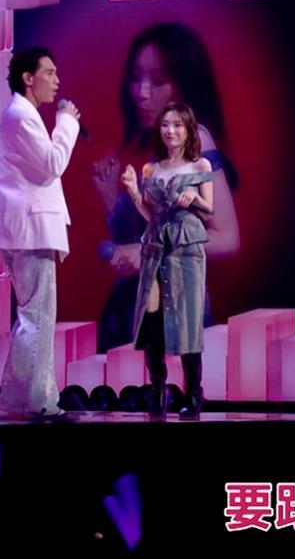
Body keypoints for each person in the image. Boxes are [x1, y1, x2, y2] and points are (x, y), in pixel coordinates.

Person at [91, 22, 239, 353]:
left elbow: (228, 238)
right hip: (133, 308)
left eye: (158, 81)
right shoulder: (159, 147)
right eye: (136, 77)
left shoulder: (196, 140)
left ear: (183, 84)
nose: (141, 92)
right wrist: (110, 198)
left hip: (176, 309)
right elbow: (140, 240)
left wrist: (146, 251)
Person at [0, 47, 82, 418]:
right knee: (37, 317)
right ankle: (35, 403)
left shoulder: (21, 114)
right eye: (49, 73)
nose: (56, 80)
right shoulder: (21, 115)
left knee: (34, 317)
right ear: (28, 77)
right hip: (31, 229)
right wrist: (67, 123)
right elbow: (53, 163)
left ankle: (21, 401)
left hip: (26, 228)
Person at [120, 103, 213, 417]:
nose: (170, 131)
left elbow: (209, 210)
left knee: (187, 320)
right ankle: (158, 392)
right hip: (155, 247)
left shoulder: (199, 165)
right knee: (152, 319)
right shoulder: (152, 169)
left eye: (177, 125)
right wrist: (134, 191)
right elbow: (151, 214)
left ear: (188, 129)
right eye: (165, 125)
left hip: (186, 249)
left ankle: (194, 394)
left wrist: (194, 198)